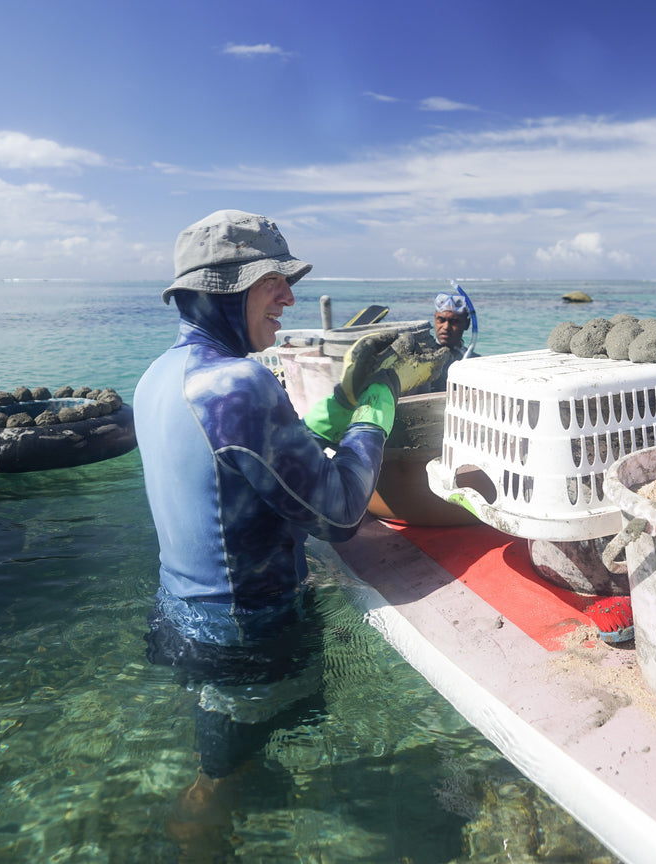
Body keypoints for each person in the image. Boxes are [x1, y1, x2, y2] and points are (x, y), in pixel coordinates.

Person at [133, 209, 448, 853]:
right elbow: (338, 516)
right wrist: (373, 415)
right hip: (248, 627)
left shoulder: (157, 378)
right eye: (271, 280)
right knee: (220, 780)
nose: (289, 296)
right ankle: (197, 843)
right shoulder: (237, 383)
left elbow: (247, 471)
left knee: (233, 757)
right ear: (221, 287)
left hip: (184, 616)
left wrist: (329, 417)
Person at [430, 291, 478, 390]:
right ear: (435, 320)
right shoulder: (422, 355)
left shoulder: (474, 361)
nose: (446, 327)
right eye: (441, 320)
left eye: (454, 322)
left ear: (467, 324)